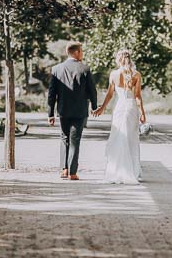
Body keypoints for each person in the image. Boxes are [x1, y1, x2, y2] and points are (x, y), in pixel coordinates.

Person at [94, 50, 146, 184]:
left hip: (119, 108)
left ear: (118, 60)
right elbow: (137, 96)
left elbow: (110, 94)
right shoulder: (137, 75)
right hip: (131, 108)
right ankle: (133, 171)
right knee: (131, 138)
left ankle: (116, 171)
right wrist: (142, 113)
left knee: (118, 137)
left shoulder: (113, 74)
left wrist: (102, 108)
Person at [47, 42, 98, 181]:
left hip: (63, 110)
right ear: (75, 52)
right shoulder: (85, 69)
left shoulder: (57, 69)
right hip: (80, 111)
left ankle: (64, 170)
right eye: (81, 51)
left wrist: (50, 113)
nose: (82, 54)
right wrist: (94, 106)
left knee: (64, 139)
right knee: (75, 140)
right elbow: (92, 91)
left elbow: (52, 93)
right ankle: (72, 172)